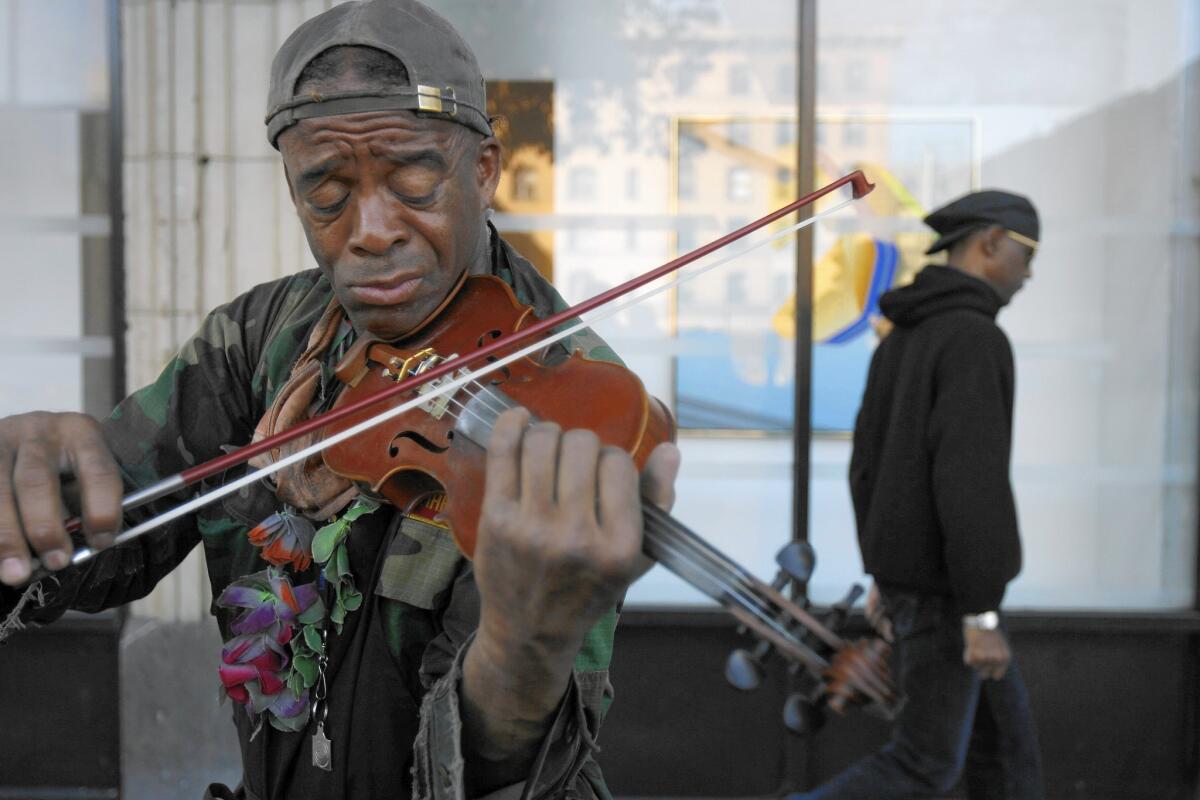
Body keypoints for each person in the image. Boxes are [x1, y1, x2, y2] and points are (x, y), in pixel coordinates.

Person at [0, 2, 679, 798]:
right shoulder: (259, 337)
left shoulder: (572, 409)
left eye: (415, 177)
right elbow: (113, 513)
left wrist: (523, 656)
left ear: (485, 169)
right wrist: (31, 499)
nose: (372, 231)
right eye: (327, 190)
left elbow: (495, 772)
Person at [796, 190, 1045, 799]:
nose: (1030, 272)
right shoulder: (974, 340)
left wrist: (884, 571)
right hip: (948, 597)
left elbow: (866, 469)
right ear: (990, 243)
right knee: (923, 764)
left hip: (921, 589)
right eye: (1028, 253)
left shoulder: (901, 340)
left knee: (1006, 759)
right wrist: (980, 613)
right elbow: (971, 482)